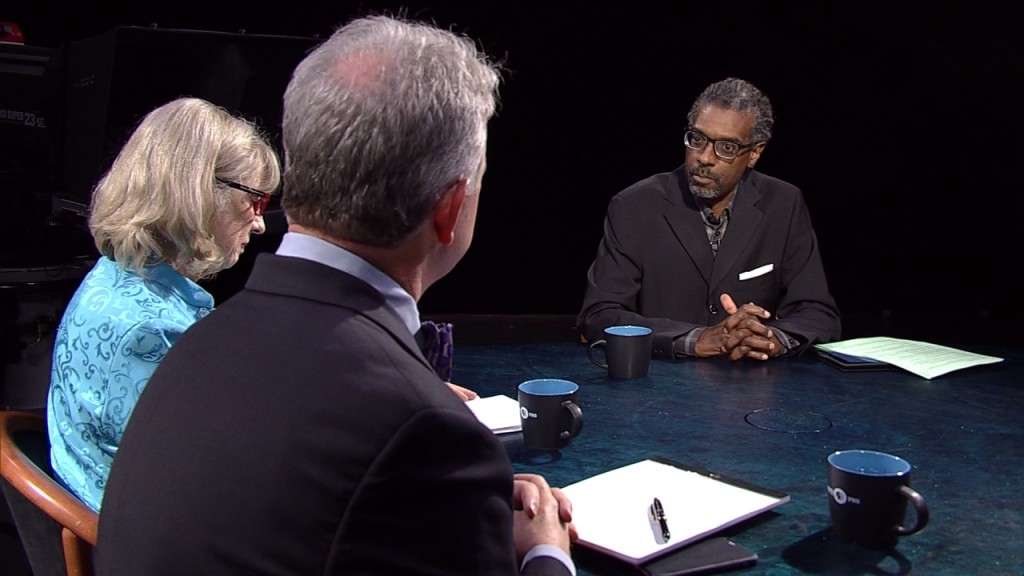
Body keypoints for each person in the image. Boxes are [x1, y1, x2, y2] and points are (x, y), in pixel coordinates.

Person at [96, 15, 577, 576]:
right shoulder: (426, 430)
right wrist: (546, 550)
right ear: (450, 209)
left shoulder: (195, 344)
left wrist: (458, 503)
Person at [46, 97, 280, 512]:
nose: (260, 223)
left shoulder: (111, 275)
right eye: (256, 201)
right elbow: (204, 481)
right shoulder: (150, 331)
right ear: (198, 192)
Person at [578, 77, 841, 361]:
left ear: (754, 153)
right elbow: (599, 314)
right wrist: (694, 339)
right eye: (697, 139)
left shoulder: (784, 204)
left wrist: (771, 338)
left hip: (753, 387)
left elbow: (818, 313)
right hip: (661, 386)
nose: (704, 157)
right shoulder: (634, 207)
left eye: (726, 148)